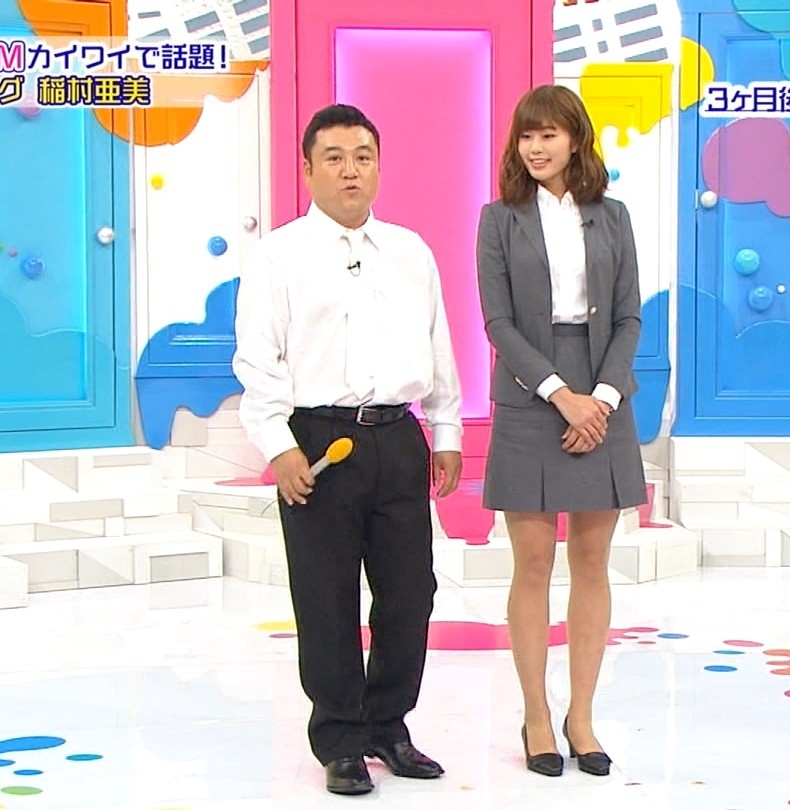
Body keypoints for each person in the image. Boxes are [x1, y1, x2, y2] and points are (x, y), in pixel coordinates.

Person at [232, 104, 464, 797]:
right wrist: (278, 446)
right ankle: (339, 739)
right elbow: (257, 358)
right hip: (316, 442)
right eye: (333, 157)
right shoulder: (278, 255)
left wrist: (445, 431)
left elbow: (438, 345)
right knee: (326, 597)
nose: (350, 170)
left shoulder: (411, 251)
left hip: (397, 437)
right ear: (308, 169)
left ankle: (388, 726)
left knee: (410, 593)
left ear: (379, 167)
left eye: (363, 156)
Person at [475, 85, 648, 778]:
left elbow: (629, 316)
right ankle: (537, 716)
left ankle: (582, 716)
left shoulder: (613, 215)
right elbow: (497, 322)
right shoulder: (499, 219)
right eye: (526, 136)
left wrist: (598, 400)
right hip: (531, 392)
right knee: (533, 562)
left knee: (592, 560)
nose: (536, 147)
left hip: (603, 386)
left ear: (576, 139)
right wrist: (560, 396)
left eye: (549, 134)